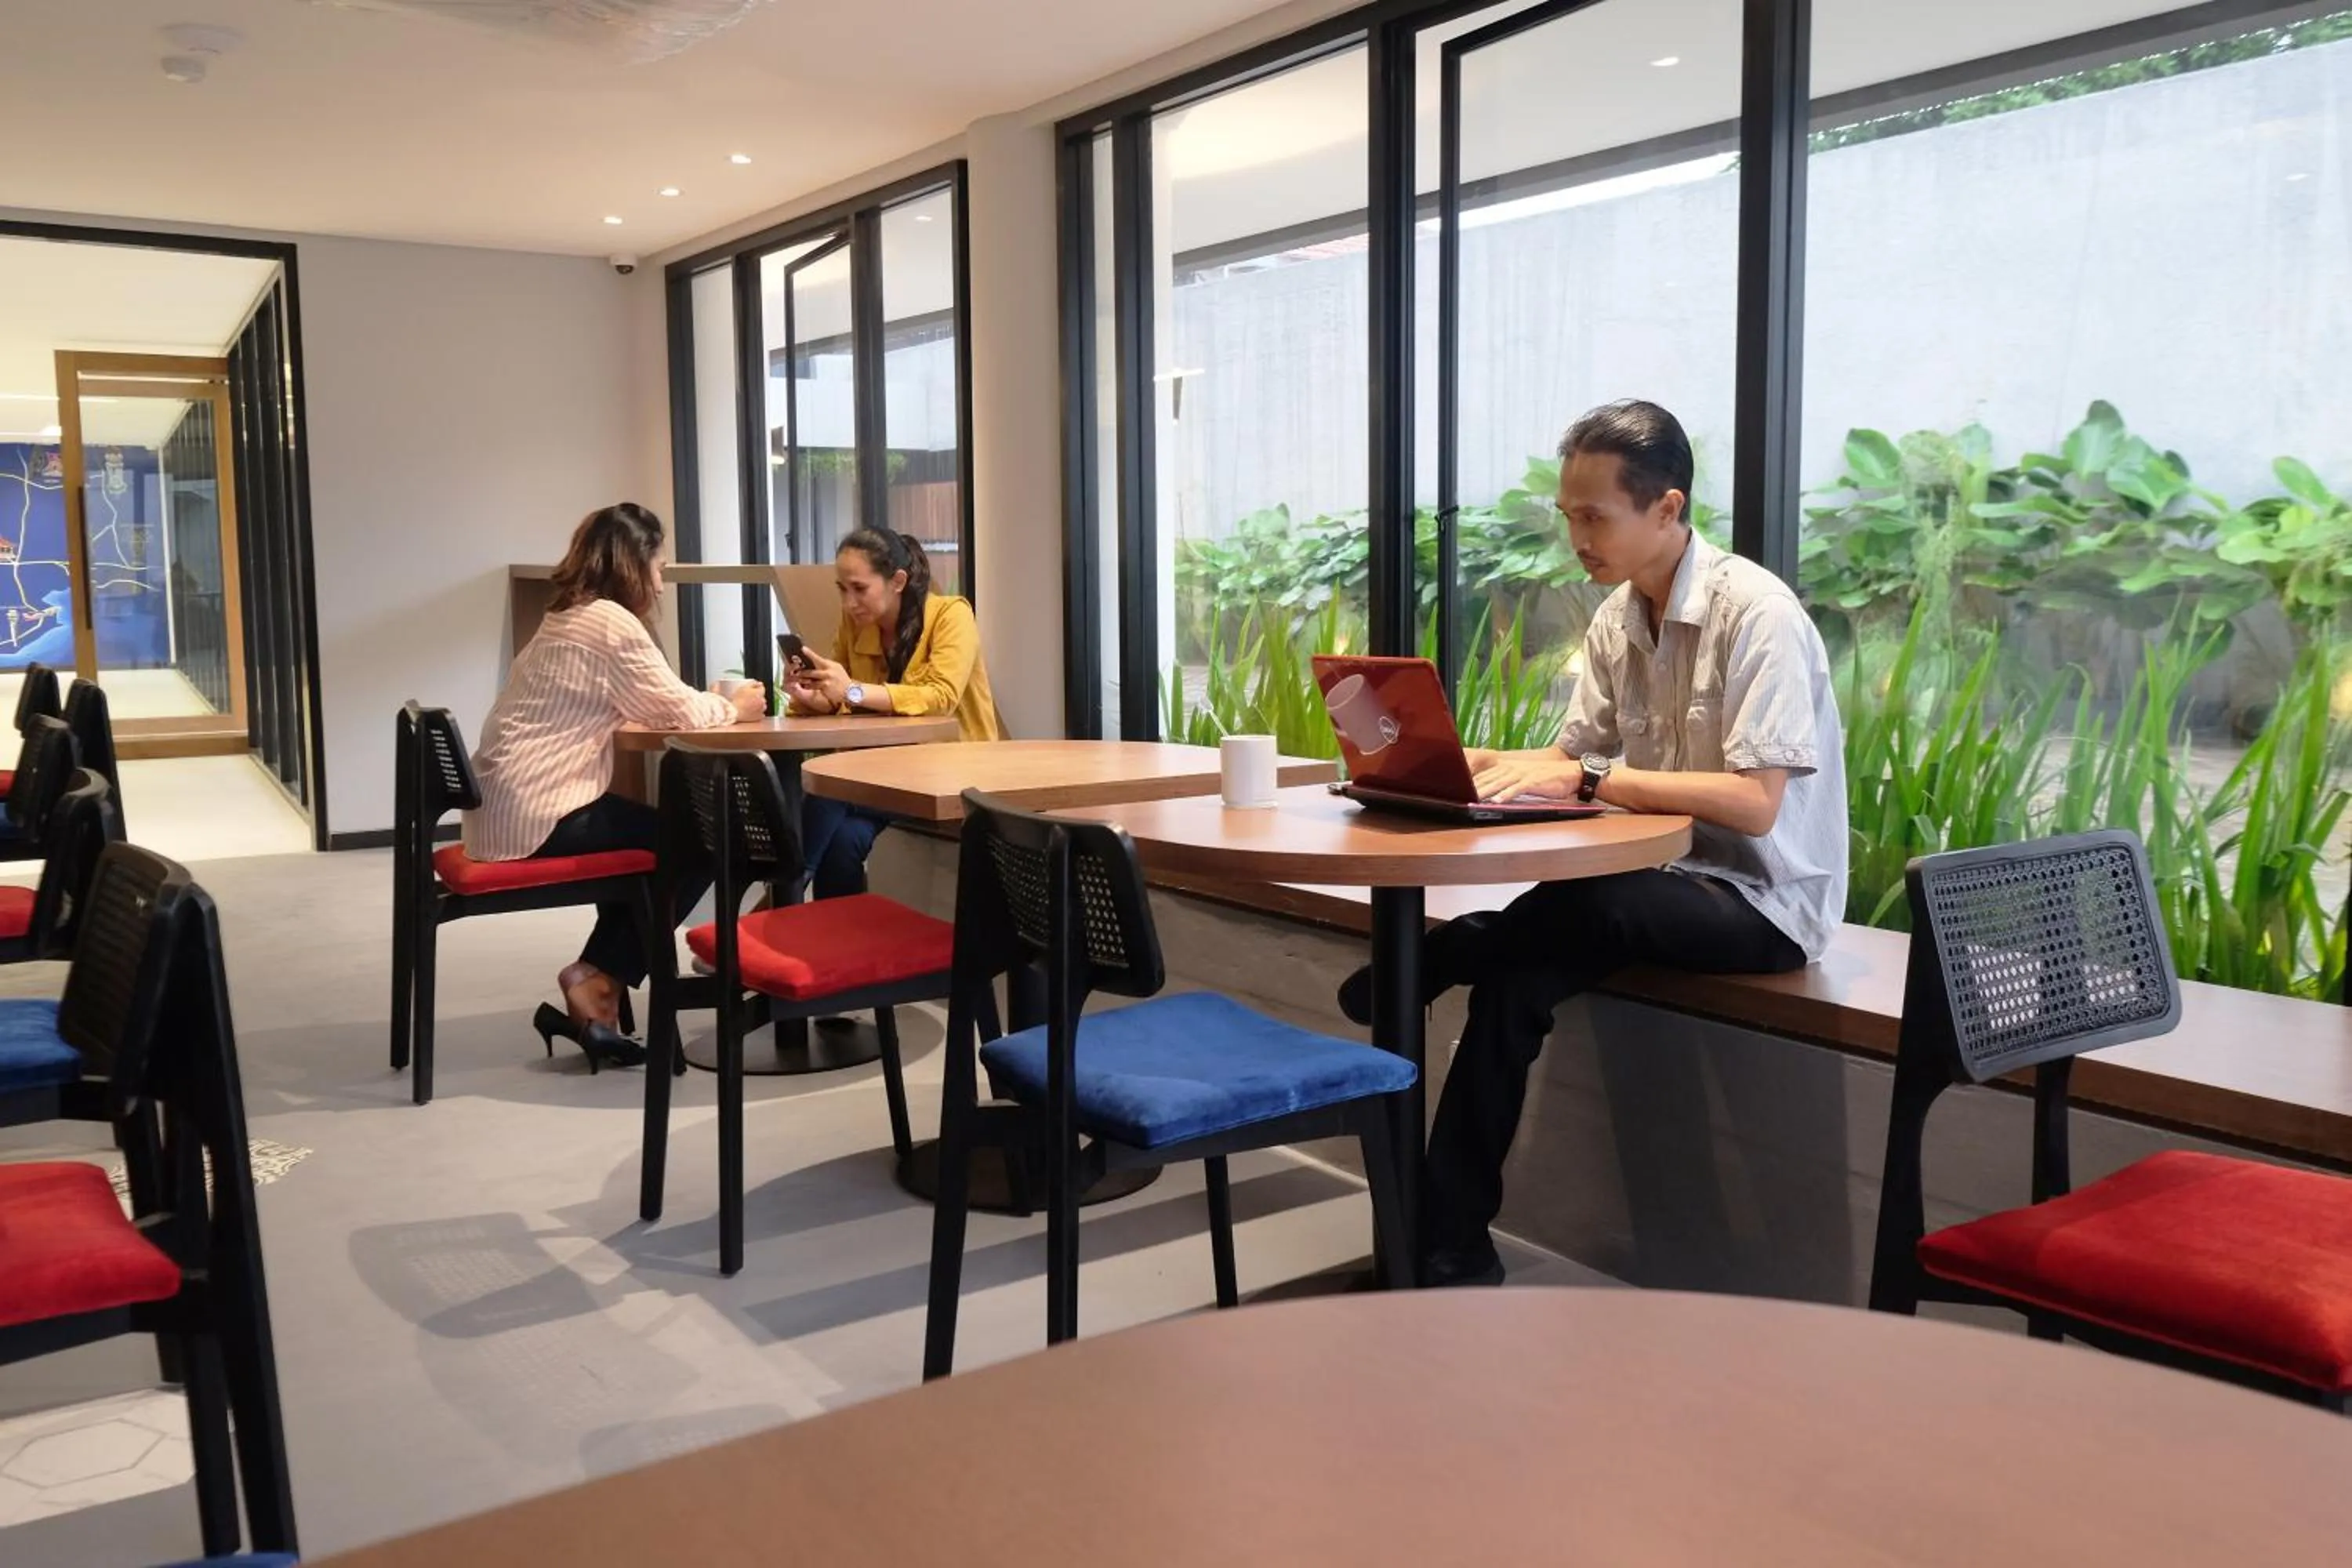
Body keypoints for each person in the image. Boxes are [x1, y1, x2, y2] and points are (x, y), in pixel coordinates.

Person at [1338, 400, 1848, 1287]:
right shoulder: (1619, 616)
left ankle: (1464, 944)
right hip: (1652, 881)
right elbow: (1574, 757)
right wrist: (1476, 763)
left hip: (1762, 902)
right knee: (1513, 987)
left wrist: (1590, 781)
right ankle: (1450, 1239)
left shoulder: (1756, 613)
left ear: (1666, 507)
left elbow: (1756, 804)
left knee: (1577, 909)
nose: (1575, 536)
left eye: (1592, 515)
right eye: (1567, 515)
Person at [464, 503, 764, 1067]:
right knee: (707, 839)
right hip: (540, 813)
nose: (660, 582)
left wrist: (701, 705)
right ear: (633, 565)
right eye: (658, 567)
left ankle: (598, 981)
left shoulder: (566, 615)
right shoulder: (610, 622)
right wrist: (735, 707)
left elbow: (652, 702)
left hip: (508, 805)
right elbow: (684, 712)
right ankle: (598, 980)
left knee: (646, 839)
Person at [781, 528, 1002, 897]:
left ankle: (787, 887)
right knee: (844, 841)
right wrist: (812, 694)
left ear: (897, 581)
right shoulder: (856, 626)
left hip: (954, 775)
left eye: (859, 588)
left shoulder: (951, 615)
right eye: (842, 589)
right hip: (888, 776)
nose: (849, 602)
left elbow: (941, 697)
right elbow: (844, 701)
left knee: (830, 788)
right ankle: (836, 945)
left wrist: (850, 688)